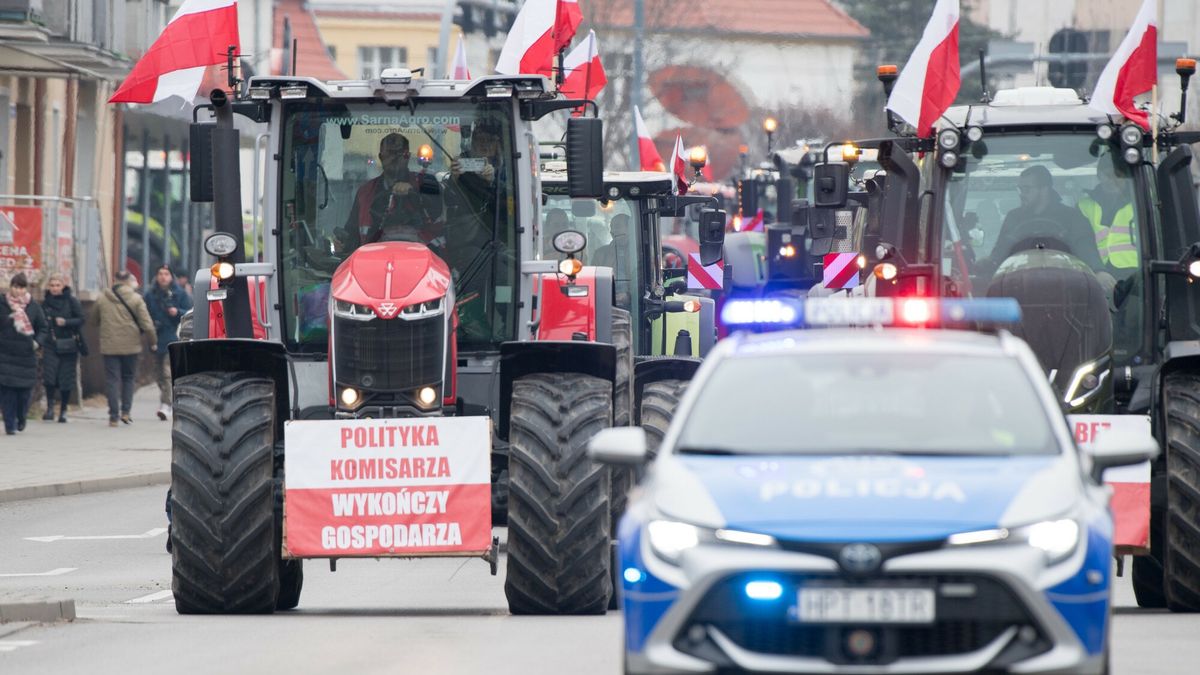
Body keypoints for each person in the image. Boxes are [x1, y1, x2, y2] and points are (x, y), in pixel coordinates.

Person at [981, 165, 1103, 273]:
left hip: (1064, 283)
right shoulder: (1013, 217)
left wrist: (1098, 271)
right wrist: (989, 264)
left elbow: (1085, 248)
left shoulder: (1071, 217)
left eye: (1026, 189)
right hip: (1018, 282)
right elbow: (1001, 251)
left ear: (1044, 189)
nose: (1021, 194)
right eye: (1019, 189)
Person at [336, 133, 439, 252]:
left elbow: (437, 218)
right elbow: (353, 235)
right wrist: (343, 246)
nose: (395, 158)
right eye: (390, 153)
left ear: (408, 157)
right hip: (372, 261)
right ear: (381, 157)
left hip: (422, 259)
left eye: (400, 154)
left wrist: (415, 193)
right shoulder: (365, 192)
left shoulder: (426, 185)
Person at [97, 270, 156, 427]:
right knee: (128, 378)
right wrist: (153, 342)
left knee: (112, 380)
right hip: (131, 346)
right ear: (129, 281)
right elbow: (147, 324)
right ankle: (126, 412)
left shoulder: (103, 298)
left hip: (109, 345)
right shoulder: (136, 299)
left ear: (114, 280)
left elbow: (94, 320)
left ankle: (113, 416)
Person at [0, 273, 48, 435]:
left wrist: (37, 342)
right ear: (10, 287)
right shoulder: (2, 304)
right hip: (5, 354)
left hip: (26, 355)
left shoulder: (33, 306)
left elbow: (43, 327)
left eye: (21, 287)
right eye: (15, 287)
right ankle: (9, 424)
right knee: (7, 393)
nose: (18, 291)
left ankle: (21, 416)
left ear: (25, 289)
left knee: (24, 393)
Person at [144, 264, 193, 420]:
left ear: (171, 277)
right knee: (158, 373)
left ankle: (166, 404)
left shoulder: (180, 294)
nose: (163, 276)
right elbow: (144, 313)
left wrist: (177, 312)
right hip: (156, 337)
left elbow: (190, 313)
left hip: (173, 336)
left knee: (166, 371)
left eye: (166, 273)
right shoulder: (150, 295)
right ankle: (169, 398)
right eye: (160, 273)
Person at [40, 273, 85, 423]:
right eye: (52, 285)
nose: (54, 288)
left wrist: (66, 322)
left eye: (57, 285)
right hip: (51, 343)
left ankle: (64, 409)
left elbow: (81, 319)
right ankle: (50, 408)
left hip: (68, 344)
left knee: (66, 378)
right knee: (50, 377)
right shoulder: (45, 303)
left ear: (63, 286)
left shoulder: (71, 301)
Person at [1078, 159, 1137, 271]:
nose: (1112, 180)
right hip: (1098, 272)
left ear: (1126, 177)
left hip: (1137, 273)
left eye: (1117, 175)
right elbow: (1082, 242)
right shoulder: (1084, 206)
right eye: (1107, 175)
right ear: (1099, 176)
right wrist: (1098, 270)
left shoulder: (1141, 202)